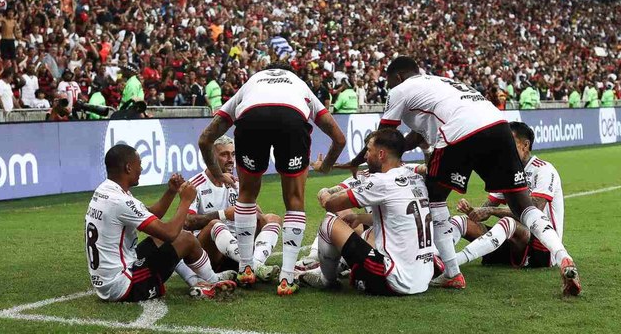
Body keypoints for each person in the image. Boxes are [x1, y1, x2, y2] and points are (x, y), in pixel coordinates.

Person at [344, 56, 580, 296]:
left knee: (433, 199)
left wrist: (356, 161)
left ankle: (452, 273)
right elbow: (413, 137)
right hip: (498, 126)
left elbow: (385, 137)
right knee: (523, 206)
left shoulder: (400, 90)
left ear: (397, 77)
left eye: (389, 82)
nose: (390, 88)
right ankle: (563, 256)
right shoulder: (440, 83)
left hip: (459, 131)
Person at [198, 62, 346, 296]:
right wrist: (325, 166)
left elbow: (205, 139)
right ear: (290, 74)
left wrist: (217, 174)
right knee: (294, 201)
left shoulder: (250, 85)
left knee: (246, 195)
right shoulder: (300, 86)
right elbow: (339, 139)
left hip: (251, 118)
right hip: (292, 119)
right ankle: (286, 279)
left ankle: (246, 268)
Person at [85, 144, 236, 302]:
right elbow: (170, 234)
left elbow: (150, 214)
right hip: (123, 285)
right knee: (186, 239)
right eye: (139, 164)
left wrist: (171, 191)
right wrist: (185, 201)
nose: (141, 169)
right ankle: (212, 281)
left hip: (109, 277)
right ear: (128, 168)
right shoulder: (119, 200)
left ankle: (202, 281)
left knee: (162, 239)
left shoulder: (105, 191)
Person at [300, 128, 434, 295]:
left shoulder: (381, 181)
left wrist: (323, 193)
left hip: (395, 281)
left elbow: (330, 205)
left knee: (329, 222)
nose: (365, 156)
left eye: (369, 150)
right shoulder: (414, 175)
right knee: (366, 231)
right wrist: (359, 217)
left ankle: (326, 279)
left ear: (381, 154)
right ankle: (342, 264)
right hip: (423, 277)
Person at [446, 122, 566, 269]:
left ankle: (451, 264)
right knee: (460, 221)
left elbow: (534, 210)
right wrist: (473, 211)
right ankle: (438, 258)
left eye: (510, 143)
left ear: (525, 145)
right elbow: (487, 209)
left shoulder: (543, 170)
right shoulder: (507, 171)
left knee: (508, 222)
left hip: (542, 248)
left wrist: (492, 211)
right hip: (514, 242)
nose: (505, 149)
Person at [180, 136, 282, 285]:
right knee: (216, 224)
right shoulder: (195, 185)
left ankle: (252, 265)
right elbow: (186, 222)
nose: (230, 159)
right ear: (210, 158)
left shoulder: (237, 183)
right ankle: (254, 265)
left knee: (272, 218)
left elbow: (259, 215)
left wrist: (251, 209)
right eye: (224, 154)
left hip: (239, 247)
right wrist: (224, 214)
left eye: (233, 154)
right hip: (211, 256)